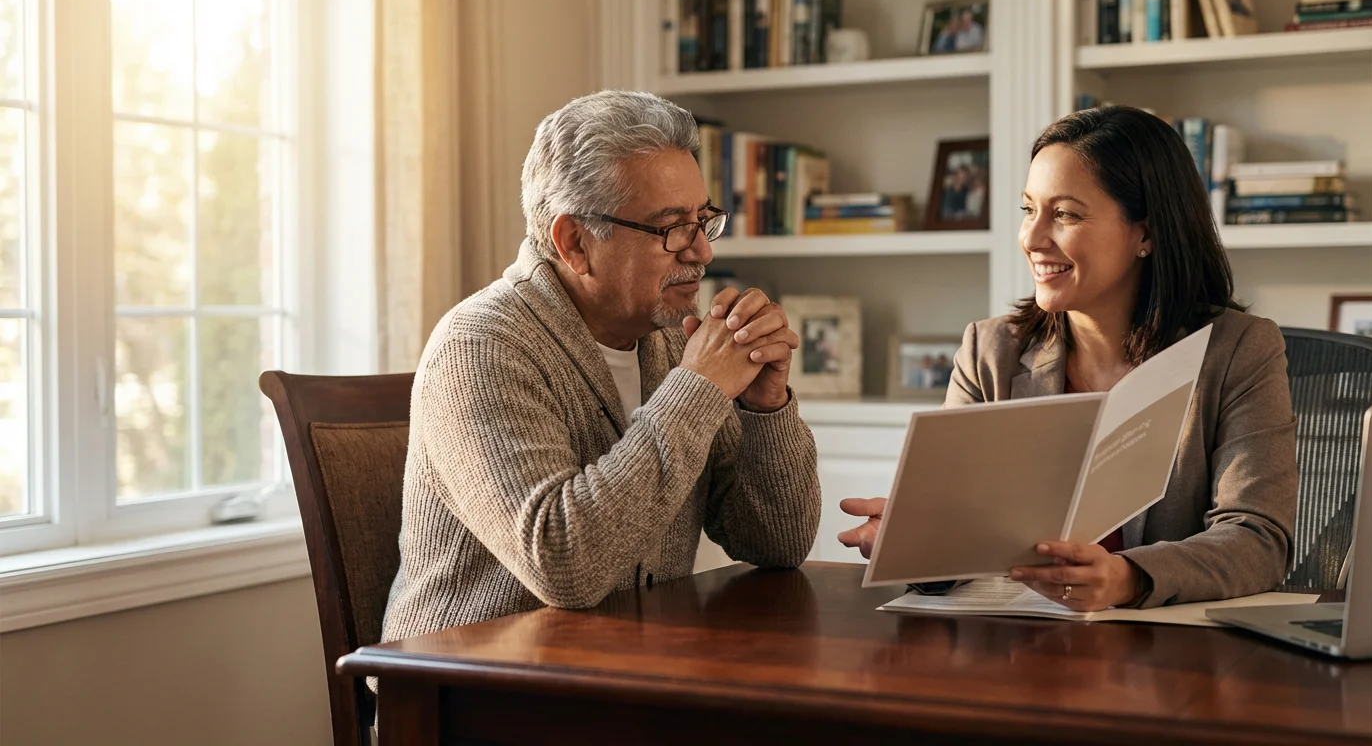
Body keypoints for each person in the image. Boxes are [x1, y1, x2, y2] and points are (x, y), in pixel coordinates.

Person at [381, 90, 823, 654]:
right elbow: (565, 565)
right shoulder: (479, 346)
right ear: (575, 242)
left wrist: (766, 406)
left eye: (702, 221)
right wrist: (699, 390)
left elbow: (777, 543)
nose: (702, 253)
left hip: (624, 668)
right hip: (471, 683)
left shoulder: (671, 340)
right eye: (671, 228)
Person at [839, 105, 1298, 612]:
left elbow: (1257, 538)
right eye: (1028, 210)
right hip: (1022, 638)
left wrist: (1128, 578)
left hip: (1169, 645)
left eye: (1064, 215)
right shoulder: (989, 352)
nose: (1032, 239)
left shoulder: (1239, 350)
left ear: (1146, 233)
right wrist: (919, 543)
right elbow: (961, 536)